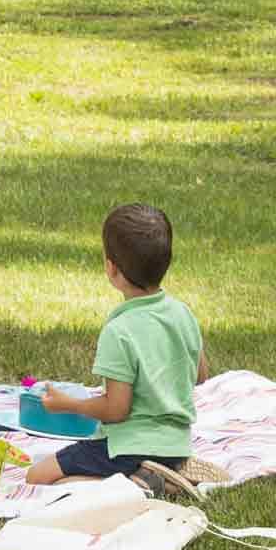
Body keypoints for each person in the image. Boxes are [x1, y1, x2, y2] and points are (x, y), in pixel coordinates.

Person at [24, 203, 209, 503]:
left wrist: (68, 404)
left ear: (111, 268)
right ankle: (161, 475)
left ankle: (138, 486)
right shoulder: (182, 313)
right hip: (177, 446)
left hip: (126, 447)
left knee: (38, 478)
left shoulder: (119, 329)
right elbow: (200, 374)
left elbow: (116, 409)